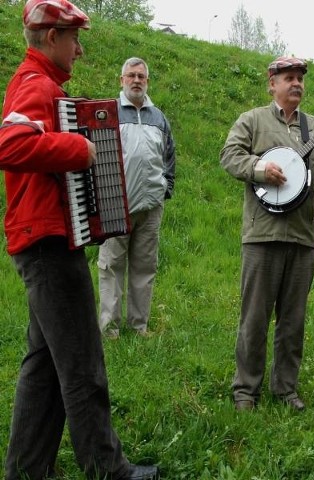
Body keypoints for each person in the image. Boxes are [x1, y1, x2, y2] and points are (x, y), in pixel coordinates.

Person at [0, 1, 159, 478]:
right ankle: (108, 470)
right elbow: (9, 145)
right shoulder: (36, 85)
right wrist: (78, 148)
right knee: (84, 365)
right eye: (74, 38)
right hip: (47, 244)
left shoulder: (41, 85)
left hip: (43, 238)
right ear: (52, 38)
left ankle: (27, 469)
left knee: (44, 366)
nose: (80, 48)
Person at [220, 56, 314, 412]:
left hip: (303, 238)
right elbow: (229, 156)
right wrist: (259, 169)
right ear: (271, 83)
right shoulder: (252, 121)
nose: (296, 84)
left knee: (293, 321)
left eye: (300, 79)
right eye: (289, 78)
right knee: (255, 318)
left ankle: (286, 388)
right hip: (262, 235)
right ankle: (246, 390)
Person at [98, 57, 176, 339]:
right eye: (131, 75)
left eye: (141, 76)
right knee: (111, 266)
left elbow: (169, 156)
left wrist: (165, 188)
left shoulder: (158, 117)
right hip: (117, 204)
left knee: (144, 267)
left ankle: (139, 325)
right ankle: (109, 329)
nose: (136, 80)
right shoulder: (108, 113)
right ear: (122, 80)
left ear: (147, 81)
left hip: (151, 206)